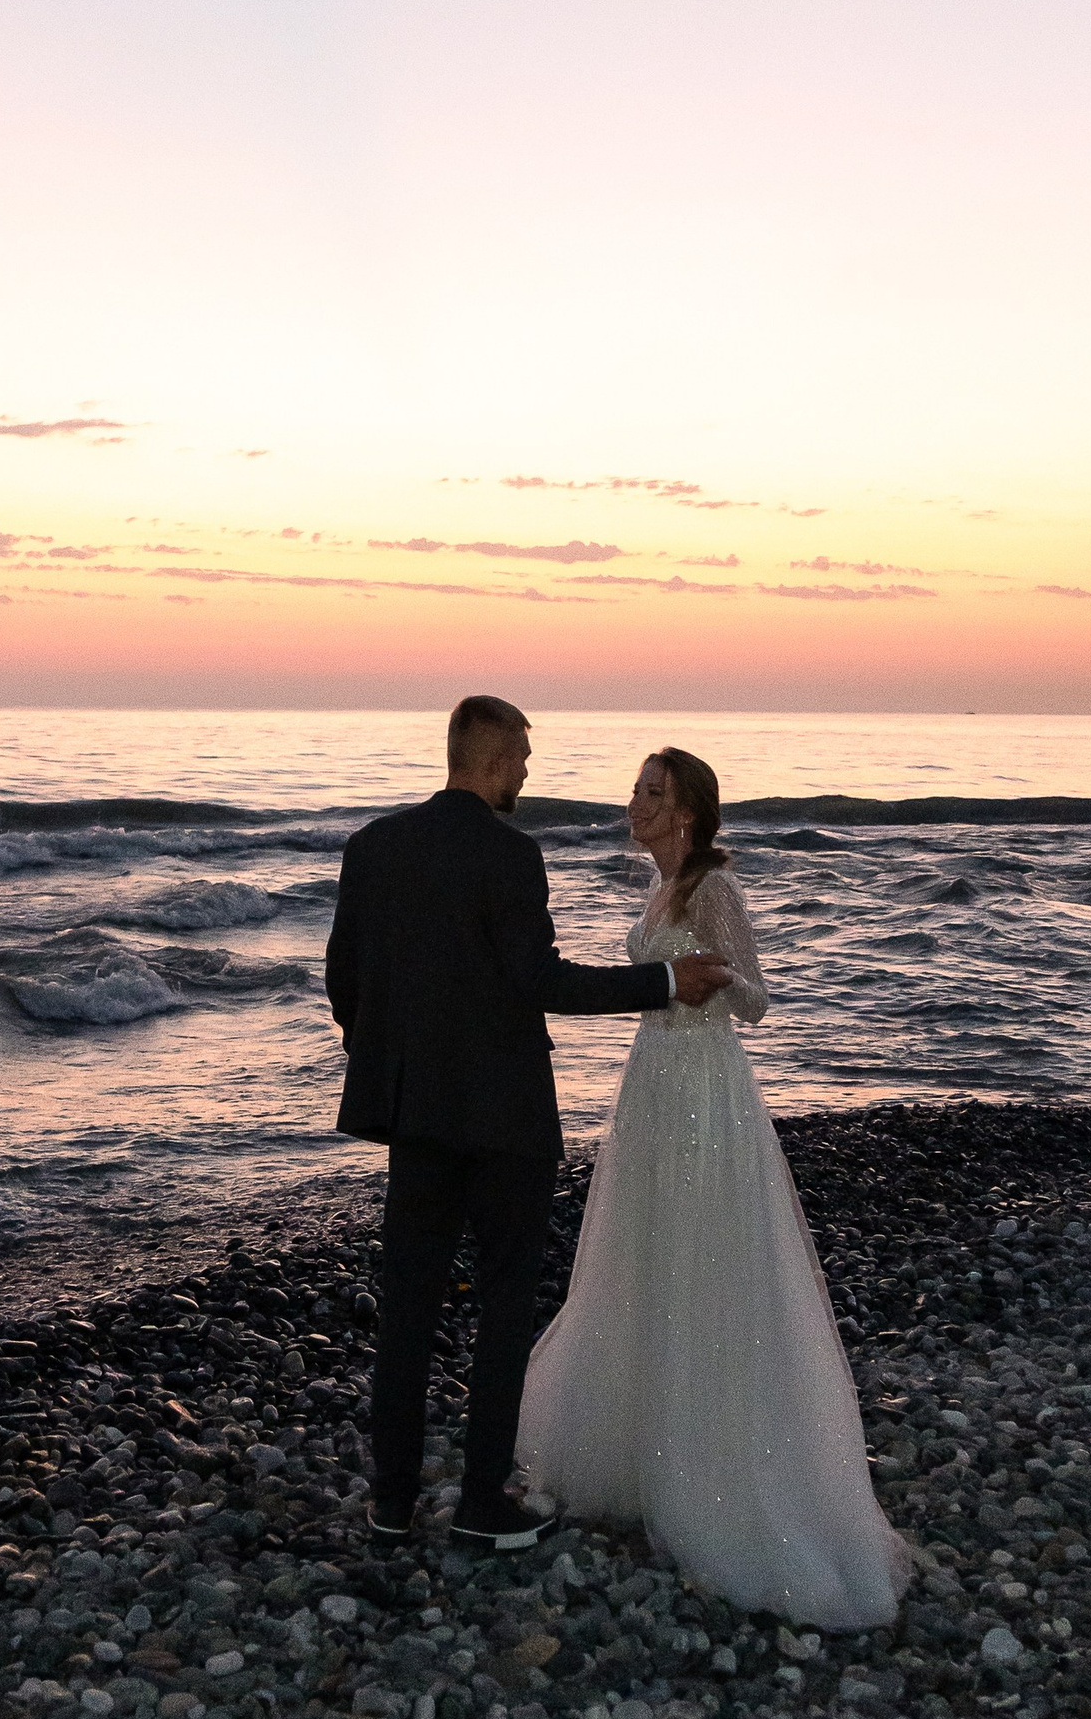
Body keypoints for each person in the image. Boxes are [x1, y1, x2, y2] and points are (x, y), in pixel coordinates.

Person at [515, 745, 913, 1628]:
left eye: (651, 792)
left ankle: (721, 1463)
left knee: (705, 1250)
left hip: (703, 1082)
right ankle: (641, 1441)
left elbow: (759, 1001)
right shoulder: (658, 889)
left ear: (687, 810)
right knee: (645, 1246)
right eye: (634, 789)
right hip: (651, 1080)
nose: (634, 802)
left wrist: (718, 980)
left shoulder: (713, 889)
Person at [324, 695, 733, 1549]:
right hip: (505, 1119)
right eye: (520, 758)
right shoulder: (510, 855)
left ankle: (391, 1503)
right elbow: (540, 981)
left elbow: (344, 984)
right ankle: (482, 1506)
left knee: (408, 1309)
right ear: (491, 757)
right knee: (504, 1307)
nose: (525, 773)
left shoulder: (373, 847)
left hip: (415, 1117)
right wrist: (663, 984)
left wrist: (398, 1064)